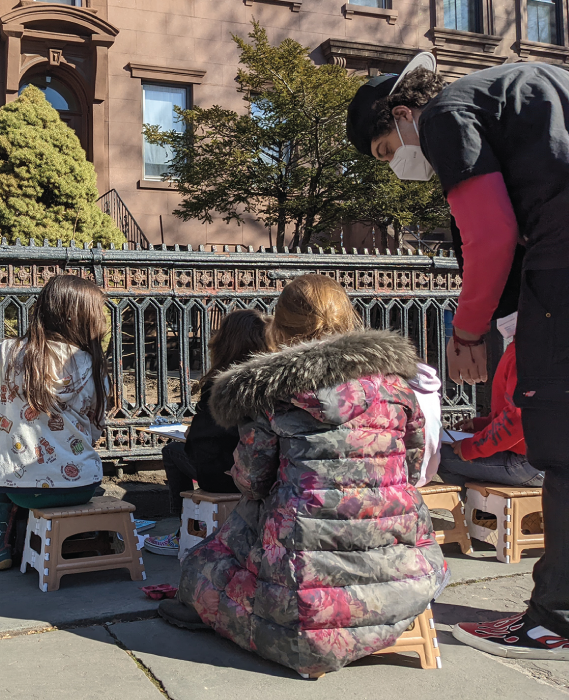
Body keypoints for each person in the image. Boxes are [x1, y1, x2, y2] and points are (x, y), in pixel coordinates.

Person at [347, 53, 569, 659]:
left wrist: (467, 333)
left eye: (386, 151)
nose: (396, 167)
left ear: (402, 115)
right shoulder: (529, 84)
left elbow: (491, 234)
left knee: (564, 452)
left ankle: (556, 619)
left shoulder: (448, 113)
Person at [159, 275, 445, 676]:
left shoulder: (274, 393)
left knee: (204, 565)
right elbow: (413, 467)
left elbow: (250, 479)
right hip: (402, 563)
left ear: (280, 325)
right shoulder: (397, 387)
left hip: (302, 579)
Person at [0, 275, 109, 570]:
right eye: (98, 312)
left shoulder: (6, 352)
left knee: (1, 457)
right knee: (11, 455)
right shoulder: (92, 363)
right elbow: (97, 423)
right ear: (80, 317)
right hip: (82, 484)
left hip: (19, 489)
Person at [145, 309, 269, 556]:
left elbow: (200, 441)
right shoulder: (268, 383)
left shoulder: (219, 384)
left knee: (171, 451)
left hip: (222, 477)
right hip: (262, 476)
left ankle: (181, 531)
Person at [439, 313, 544, 490]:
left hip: (528, 463)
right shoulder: (533, 351)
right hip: (539, 458)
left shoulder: (525, 354)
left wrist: (471, 448)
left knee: (441, 457)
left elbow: (517, 420)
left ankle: (479, 514)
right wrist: (482, 424)